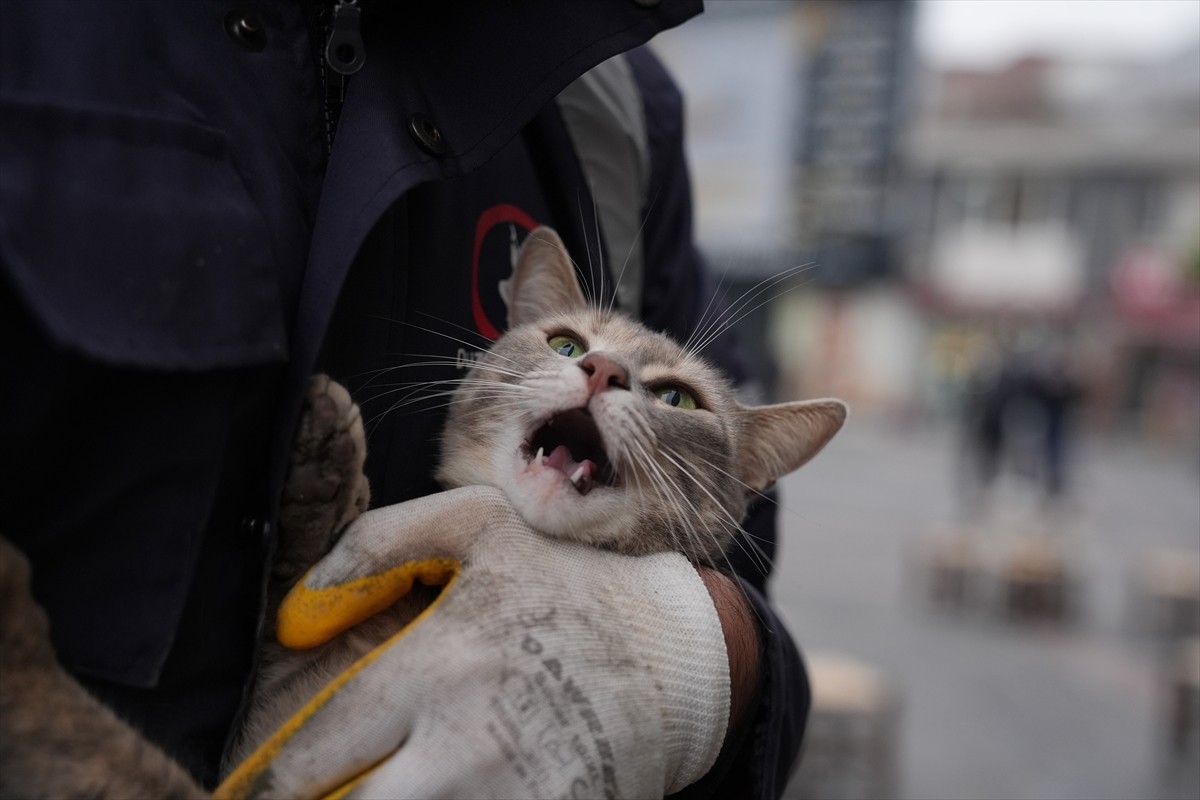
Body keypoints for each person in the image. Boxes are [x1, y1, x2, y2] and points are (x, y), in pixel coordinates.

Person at [0, 1, 809, 797]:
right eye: (569, 347)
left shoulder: (614, 97)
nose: (604, 373)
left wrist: (694, 659)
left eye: (665, 390)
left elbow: (752, 593)